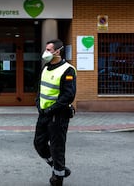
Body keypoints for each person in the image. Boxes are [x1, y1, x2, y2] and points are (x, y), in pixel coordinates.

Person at [34, 39, 77, 186]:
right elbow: (41, 89)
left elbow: (68, 96)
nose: (46, 52)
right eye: (46, 49)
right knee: (39, 144)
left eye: (49, 50)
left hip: (58, 116)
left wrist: (51, 109)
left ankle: (57, 178)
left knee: (57, 147)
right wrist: (38, 104)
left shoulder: (68, 70)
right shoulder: (46, 68)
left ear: (58, 51)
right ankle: (58, 167)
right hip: (43, 114)